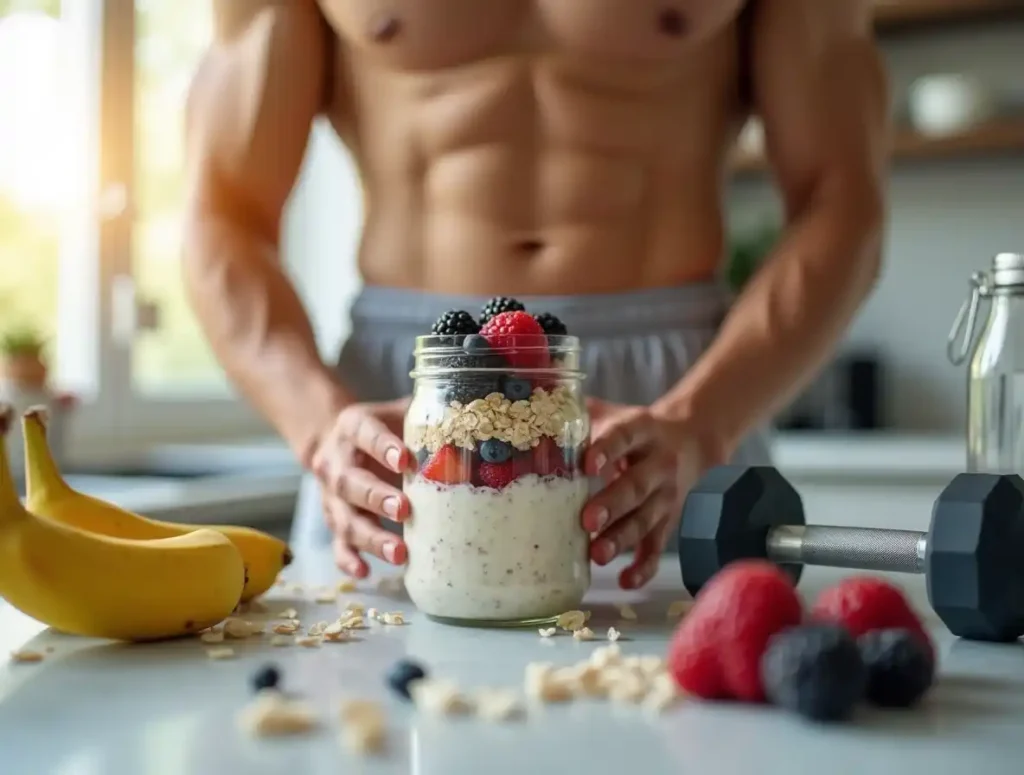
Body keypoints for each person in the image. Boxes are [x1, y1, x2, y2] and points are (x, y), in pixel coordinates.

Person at [182, 0, 888, 590]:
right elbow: (223, 214)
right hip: (401, 407)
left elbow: (843, 198)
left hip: (676, 406)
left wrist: (703, 421)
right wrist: (318, 424)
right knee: (375, 731)